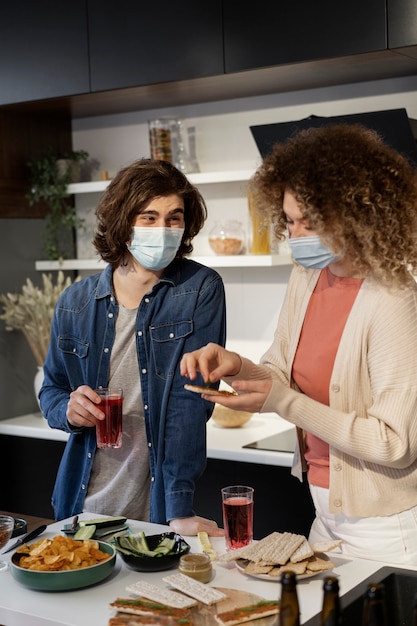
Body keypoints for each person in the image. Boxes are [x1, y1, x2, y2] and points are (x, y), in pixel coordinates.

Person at [180, 123, 417, 563]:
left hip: (390, 530)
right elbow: (280, 371)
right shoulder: (306, 276)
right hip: (324, 518)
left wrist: (282, 401)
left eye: (310, 221)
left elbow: (393, 444)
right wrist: (236, 366)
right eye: (290, 221)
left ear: (355, 212)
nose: (297, 235)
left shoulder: (395, 297)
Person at [40, 158, 226, 537]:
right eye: (149, 217)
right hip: (80, 507)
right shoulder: (75, 302)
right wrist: (69, 411)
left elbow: (192, 401)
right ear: (124, 223)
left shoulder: (200, 289)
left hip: (155, 508)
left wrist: (178, 507)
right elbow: (52, 390)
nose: (164, 229)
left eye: (174, 217)